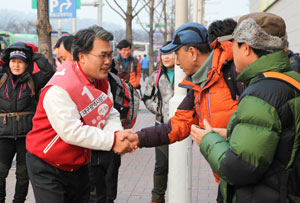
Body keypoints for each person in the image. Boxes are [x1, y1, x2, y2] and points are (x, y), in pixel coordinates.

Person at [123, 22, 240, 202]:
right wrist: (139, 138)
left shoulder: (234, 73)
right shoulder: (198, 85)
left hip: (249, 179)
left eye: (178, 54)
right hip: (227, 177)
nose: (177, 62)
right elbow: (177, 126)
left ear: (192, 52)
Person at [190, 12, 300, 202]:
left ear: (246, 48)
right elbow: (281, 140)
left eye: (234, 44)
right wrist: (232, 133)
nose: (232, 51)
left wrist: (207, 141)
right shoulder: (291, 79)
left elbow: (239, 168)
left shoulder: (260, 93)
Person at [25, 25, 136, 203]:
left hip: (78, 164)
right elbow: (72, 132)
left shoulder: (101, 80)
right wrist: (113, 141)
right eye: (102, 55)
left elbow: (108, 112)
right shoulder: (60, 87)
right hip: (47, 165)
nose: (108, 61)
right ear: (82, 56)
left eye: (110, 54)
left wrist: (117, 134)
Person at [0, 42, 54, 203]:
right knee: (0, 171)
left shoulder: (33, 81)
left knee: (23, 174)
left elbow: (48, 71)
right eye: (13, 61)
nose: (16, 65)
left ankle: (19, 200)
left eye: (21, 61)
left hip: (27, 135)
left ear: (27, 64)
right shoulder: (1, 78)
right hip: (3, 135)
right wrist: (4, 56)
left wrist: (31, 53)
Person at [142, 41, 174, 203]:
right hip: (161, 126)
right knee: (161, 164)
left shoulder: (187, 74)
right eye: (163, 53)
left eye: (170, 53)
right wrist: (158, 109)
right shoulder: (156, 76)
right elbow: (146, 98)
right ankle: (157, 197)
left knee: (180, 164)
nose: (166, 57)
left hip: (183, 126)